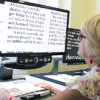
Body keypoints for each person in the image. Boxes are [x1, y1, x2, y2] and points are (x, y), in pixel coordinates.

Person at [0, 14, 100, 100]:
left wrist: (7, 97)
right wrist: (53, 89)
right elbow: (74, 97)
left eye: (81, 35)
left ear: (91, 44)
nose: (78, 39)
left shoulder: (87, 82)